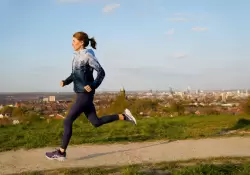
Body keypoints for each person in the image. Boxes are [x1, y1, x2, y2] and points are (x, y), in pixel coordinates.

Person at [45, 31, 137, 161]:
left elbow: (101, 72)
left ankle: (61, 152)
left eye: (74, 41)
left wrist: (93, 85)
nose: (72, 44)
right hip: (82, 95)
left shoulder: (88, 55)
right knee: (96, 122)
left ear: (81, 42)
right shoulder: (76, 56)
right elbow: (75, 75)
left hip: (85, 95)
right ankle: (124, 116)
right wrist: (65, 81)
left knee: (68, 121)